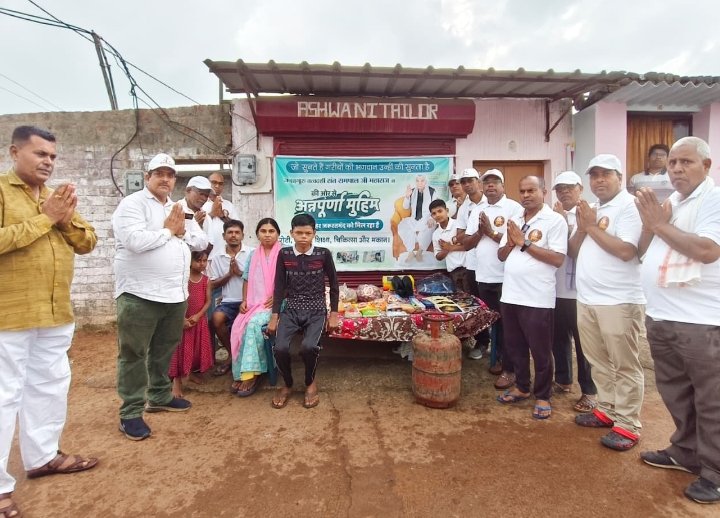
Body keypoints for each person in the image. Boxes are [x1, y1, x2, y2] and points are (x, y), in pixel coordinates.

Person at [0, 126, 98, 517]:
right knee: (4, 396)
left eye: (53, 156)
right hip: (10, 314)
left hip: (55, 313)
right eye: (40, 154)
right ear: (14, 152)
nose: (48, 162)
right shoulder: (3, 192)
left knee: (50, 385)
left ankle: (42, 457)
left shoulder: (55, 198)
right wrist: (45, 220)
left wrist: (63, 220)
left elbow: (88, 241)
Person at [636, 136, 720, 504]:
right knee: (676, 391)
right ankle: (686, 452)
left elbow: (707, 250)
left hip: (700, 321)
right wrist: (651, 224)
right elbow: (643, 251)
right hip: (662, 315)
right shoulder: (673, 202)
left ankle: (715, 473)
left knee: (711, 400)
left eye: (686, 162)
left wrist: (659, 224)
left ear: (706, 165)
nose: (676, 169)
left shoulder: (714, 199)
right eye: (672, 163)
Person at [113, 152, 209, 441]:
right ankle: (131, 412)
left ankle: (159, 395)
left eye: (170, 175)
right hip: (139, 294)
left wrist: (180, 232)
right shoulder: (132, 204)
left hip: (174, 295)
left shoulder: (177, 207)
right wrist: (168, 232)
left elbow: (201, 240)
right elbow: (133, 241)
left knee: (164, 349)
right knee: (133, 353)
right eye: (159, 174)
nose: (165, 179)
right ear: (148, 177)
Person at [570, 154, 646, 451]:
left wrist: (591, 227)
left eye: (606, 174)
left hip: (619, 301)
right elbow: (574, 251)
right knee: (597, 360)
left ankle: (628, 424)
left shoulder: (630, 206)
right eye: (594, 175)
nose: (599, 180)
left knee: (625, 365)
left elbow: (627, 251)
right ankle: (607, 409)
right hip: (588, 298)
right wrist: (583, 227)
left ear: (619, 176)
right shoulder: (594, 209)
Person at [496, 176, 567, 419]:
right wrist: (510, 243)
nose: (526, 195)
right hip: (511, 294)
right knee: (515, 346)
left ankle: (543, 395)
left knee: (540, 350)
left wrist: (524, 243)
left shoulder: (554, 221)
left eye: (531, 190)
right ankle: (522, 386)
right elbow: (501, 255)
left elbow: (557, 258)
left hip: (537, 297)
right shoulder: (515, 219)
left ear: (543, 192)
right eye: (522, 191)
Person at [268, 213, 339, 410]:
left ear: (314, 233)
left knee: (309, 347)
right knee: (280, 348)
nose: (303, 237)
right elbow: (279, 286)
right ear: (291, 233)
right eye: (299, 233)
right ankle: (288, 384)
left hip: (316, 309)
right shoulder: (285, 254)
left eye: (307, 233)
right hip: (291, 308)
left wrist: (333, 314)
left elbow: (334, 285)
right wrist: (274, 316)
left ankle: (310, 382)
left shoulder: (323, 254)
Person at [468, 170, 523, 384]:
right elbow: (467, 243)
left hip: (506, 277)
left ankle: (510, 367)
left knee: (509, 324)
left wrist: (490, 232)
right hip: (484, 276)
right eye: (487, 182)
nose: (490, 185)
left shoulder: (514, 208)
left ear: (503, 186)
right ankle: (498, 357)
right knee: (494, 321)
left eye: (495, 182)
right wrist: (480, 232)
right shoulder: (478, 210)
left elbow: (516, 241)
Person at [550, 171, 598, 413]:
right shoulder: (552, 216)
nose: (564, 192)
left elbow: (574, 250)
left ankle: (589, 391)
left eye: (569, 187)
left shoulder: (590, 213)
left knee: (584, 344)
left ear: (580, 188)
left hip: (581, 291)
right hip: (556, 288)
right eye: (560, 188)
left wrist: (567, 225)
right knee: (558, 338)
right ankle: (563, 379)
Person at [229, 218, 282, 397]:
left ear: (278, 234)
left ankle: (251, 374)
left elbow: (291, 281)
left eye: (271, 231)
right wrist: (244, 300)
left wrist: (278, 297)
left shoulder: (284, 253)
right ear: (257, 234)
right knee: (238, 325)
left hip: (276, 305)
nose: (267, 235)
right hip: (254, 304)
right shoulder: (253, 255)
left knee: (252, 325)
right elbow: (246, 279)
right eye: (263, 231)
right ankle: (242, 371)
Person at [208, 220, 253, 376]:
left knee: (248, 326)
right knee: (216, 319)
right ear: (224, 236)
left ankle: (244, 359)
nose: (233, 235)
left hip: (249, 300)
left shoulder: (252, 253)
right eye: (230, 232)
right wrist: (229, 274)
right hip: (228, 301)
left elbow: (259, 278)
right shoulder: (217, 257)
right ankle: (232, 355)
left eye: (237, 232)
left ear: (242, 235)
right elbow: (212, 284)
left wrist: (240, 273)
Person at [168, 250, 214, 398]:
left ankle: (189, 373)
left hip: (198, 321)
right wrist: (182, 319)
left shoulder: (206, 280)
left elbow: (208, 301)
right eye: (198, 261)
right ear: (189, 261)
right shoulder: (183, 279)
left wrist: (198, 316)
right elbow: (177, 299)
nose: (202, 264)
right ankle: (177, 381)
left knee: (194, 350)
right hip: (183, 322)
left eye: (204, 261)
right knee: (179, 350)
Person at [397, 174, 437, 261]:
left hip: (427, 218)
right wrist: (407, 196)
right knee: (402, 226)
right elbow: (405, 207)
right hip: (414, 219)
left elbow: (435, 207)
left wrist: (432, 218)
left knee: (431, 226)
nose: (420, 183)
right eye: (417, 181)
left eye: (422, 181)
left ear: (425, 182)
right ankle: (410, 252)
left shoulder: (432, 191)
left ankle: (420, 251)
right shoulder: (412, 191)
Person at [430, 199, 468, 292]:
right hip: (453, 272)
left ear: (446, 211)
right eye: (434, 213)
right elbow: (438, 256)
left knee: (472, 298)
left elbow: (468, 246)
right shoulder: (436, 234)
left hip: (467, 269)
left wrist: (450, 247)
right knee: (460, 298)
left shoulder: (458, 225)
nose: (437, 215)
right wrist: (446, 249)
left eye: (440, 211)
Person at [202, 172, 240, 257]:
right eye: (214, 182)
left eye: (220, 184)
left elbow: (237, 227)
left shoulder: (229, 205)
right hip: (205, 255)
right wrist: (212, 214)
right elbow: (196, 225)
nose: (217, 186)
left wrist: (222, 216)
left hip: (225, 254)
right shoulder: (201, 203)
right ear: (207, 183)